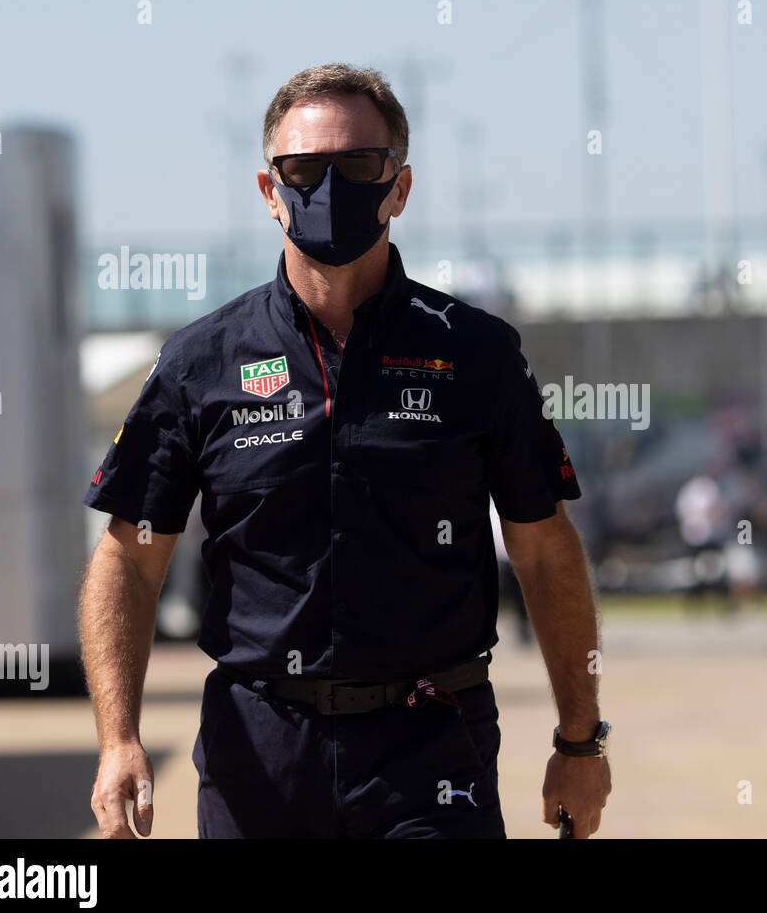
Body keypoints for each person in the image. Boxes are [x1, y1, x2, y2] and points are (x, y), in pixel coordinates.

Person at [79, 63, 612, 839]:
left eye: (359, 167)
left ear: (399, 187)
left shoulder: (478, 355)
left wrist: (580, 740)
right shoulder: (200, 363)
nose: (329, 190)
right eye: (303, 170)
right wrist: (117, 739)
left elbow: (544, 551)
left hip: (431, 745)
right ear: (270, 190)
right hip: (257, 751)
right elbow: (129, 557)